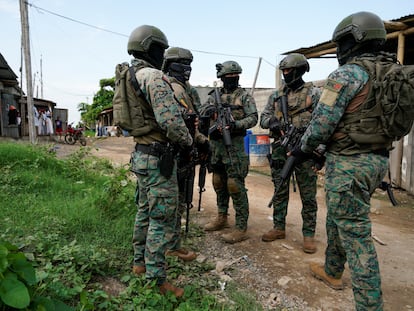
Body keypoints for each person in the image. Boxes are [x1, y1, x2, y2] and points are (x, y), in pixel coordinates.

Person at [294, 12, 389, 310]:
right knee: (339, 218)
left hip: (349, 163)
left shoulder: (348, 74)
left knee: (356, 233)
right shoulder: (388, 73)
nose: (338, 50)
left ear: (355, 40)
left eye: (342, 42)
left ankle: (370, 306)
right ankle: (332, 270)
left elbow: (321, 125)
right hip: (376, 160)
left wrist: (303, 148)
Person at [126, 25, 193, 298]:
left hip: (141, 154)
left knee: (144, 211)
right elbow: (171, 122)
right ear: (152, 48)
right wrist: (188, 141)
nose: (163, 56)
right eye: (161, 50)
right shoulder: (154, 77)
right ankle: (157, 279)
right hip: (158, 158)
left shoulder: (130, 75)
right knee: (161, 217)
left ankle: (139, 264)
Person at [259, 53, 321, 253]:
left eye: (288, 71)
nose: (285, 75)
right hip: (281, 149)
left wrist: (320, 152)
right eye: (283, 71)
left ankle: (309, 235)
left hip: (305, 151)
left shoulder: (315, 93)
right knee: (280, 189)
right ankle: (278, 227)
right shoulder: (277, 95)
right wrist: (273, 123)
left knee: (308, 195)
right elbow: (263, 118)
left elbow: (324, 122)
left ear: (300, 70)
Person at [161, 47, 209, 261]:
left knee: (180, 198)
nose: (187, 69)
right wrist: (194, 141)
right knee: (174, 201)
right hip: (176, 150)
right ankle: (169, 246)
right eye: (183, 64)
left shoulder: (186, 88)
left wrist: (201, 141)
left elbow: (194, 120)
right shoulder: (170, 87)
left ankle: (172, 242)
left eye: (189, 65)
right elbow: (179, 123)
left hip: (185, 148)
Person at [202, 60, 258, 244]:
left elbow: (253, 118)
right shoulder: (214, 96)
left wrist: (237, 125)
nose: (232, 79)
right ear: (222, 78)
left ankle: (241, 227)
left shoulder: (244, 97)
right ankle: (222, 217)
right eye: (228, 77)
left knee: (235, 184)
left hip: (234, 146)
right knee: (218, 181)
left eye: (235, 76)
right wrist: (209, 112)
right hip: (216, 147)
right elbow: (202, 114)